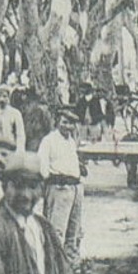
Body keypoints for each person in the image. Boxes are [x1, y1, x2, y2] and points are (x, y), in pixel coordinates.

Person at [36, 107, 84, 262]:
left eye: (70, 124)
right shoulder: (49, 141)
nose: (67, 126)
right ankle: (53, 263)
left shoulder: (71, 141)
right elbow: (42, 166)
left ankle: (71, 262)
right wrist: (48, 183)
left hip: (75, 188)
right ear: (58, 122)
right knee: (57, 230)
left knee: (74, 230)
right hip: (59, 187)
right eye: (64, 122)